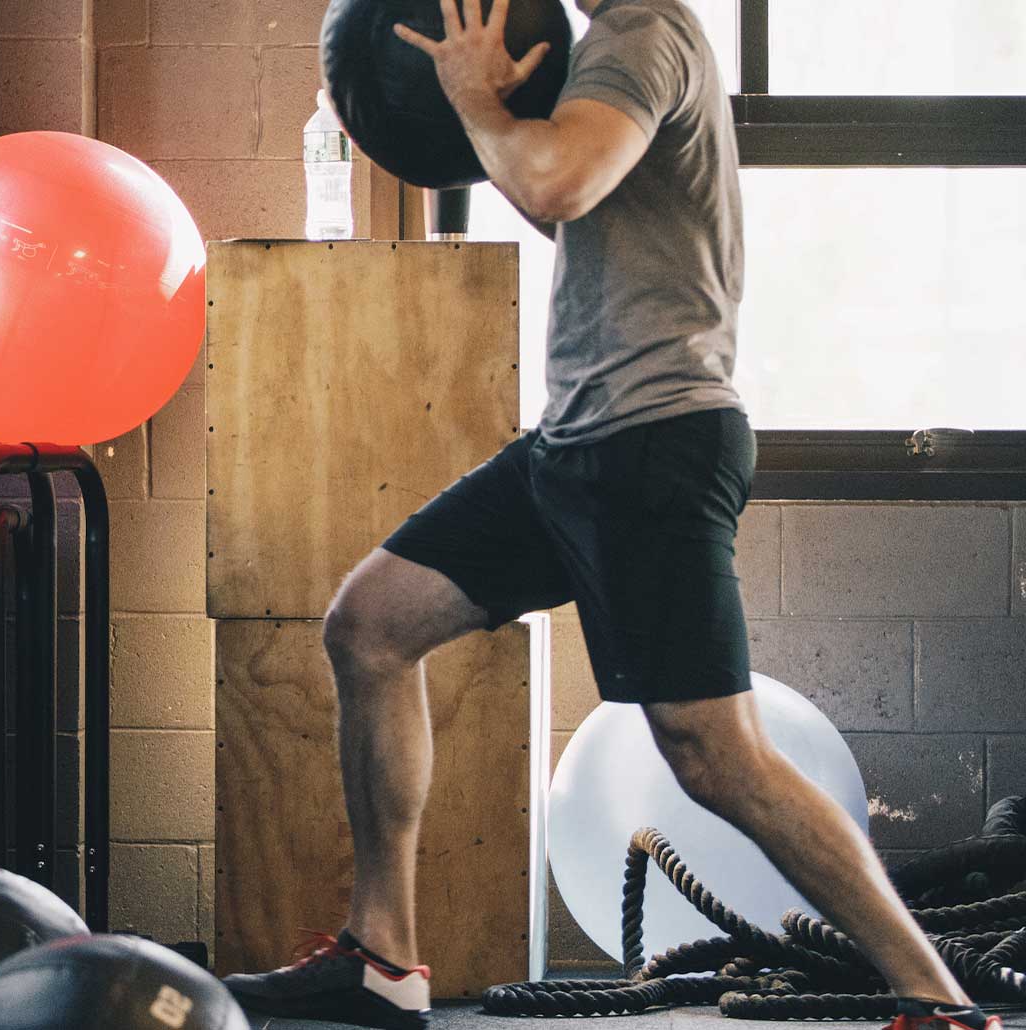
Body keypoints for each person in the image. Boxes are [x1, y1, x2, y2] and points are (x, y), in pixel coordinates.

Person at [221, 3, 1003, 1030]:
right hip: (576, 447)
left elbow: (555, 180)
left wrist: (470, 100)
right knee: (370, 625)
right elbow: (561, 201)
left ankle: (935, 999)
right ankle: (384, 954)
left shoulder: (643, 33)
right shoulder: (601, 52)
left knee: (718, 756)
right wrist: (487, 115)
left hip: (652, 446)